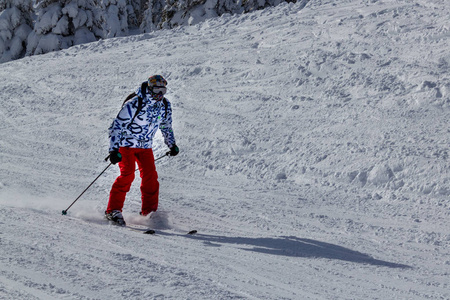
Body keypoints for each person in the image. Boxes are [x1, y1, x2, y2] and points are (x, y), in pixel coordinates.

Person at [105, 75, 179, 226]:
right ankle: (113, 210)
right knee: (128, 174)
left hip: (145, 146)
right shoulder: (135, 103)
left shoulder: (164, 105)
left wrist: (171, 144)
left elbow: (165, 126)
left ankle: (149, 212)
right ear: (150, 88)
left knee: (151, 177)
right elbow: (117, 126)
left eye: (163, 90)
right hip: (126, 145)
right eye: (157, 90)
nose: (160, 94)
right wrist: (113, 150)